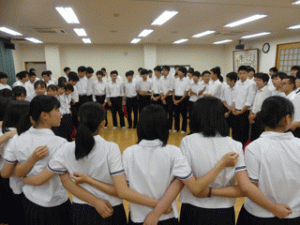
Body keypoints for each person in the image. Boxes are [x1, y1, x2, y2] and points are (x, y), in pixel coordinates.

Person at [72, 104, 239, 225]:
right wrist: (159, 208)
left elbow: (124, 191)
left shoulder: (129, 152)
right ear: (164, 127)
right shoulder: (173, 151)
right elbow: (186, 184)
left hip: (138, 216)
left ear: (140, 126)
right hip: (167, 215)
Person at [22, 102, 128, 225]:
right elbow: (121, 190)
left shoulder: (65, 149)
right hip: (112, 209)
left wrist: (23, 179)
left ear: (78, 120)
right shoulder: (111, 148)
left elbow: (42, 179)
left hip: (81, 210)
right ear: (103, 124)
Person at [1, 95, 72, 225]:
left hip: (30, 201)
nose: (61, 114)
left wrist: (25, 178)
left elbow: (16, 172)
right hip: (54, 202)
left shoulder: (17, 138)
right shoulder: (61, 143)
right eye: (57, 110)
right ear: (44, 115)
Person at [177, 97, 246, 225]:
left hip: (193, 208)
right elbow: (244, 188)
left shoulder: (188, 141)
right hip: (223, 210)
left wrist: (208, 191)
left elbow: (188, 184)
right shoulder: (234, 145)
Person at [237, 96, 300, 225]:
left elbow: (250, 188)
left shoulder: (254, 148)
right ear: (287, 119)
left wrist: (274, 208)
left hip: (258, 215)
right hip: (293, 214)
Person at [0, 101, 29, 225]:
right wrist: (7, 136)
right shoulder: (7, 131)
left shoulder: (25, 132)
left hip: (16, 177)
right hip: (8, 175)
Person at [232, 65, 257, 147]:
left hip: (244, 112)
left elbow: (249, 100)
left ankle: (243, 149)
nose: (242, 75)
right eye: (240, 73)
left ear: (247, 74)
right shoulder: (237, 83)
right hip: (236, 111)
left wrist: (241, 111)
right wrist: (233, 109)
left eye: (244, 73)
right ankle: (235, 148)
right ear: (238, 74)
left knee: (243, 133)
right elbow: (234, 97)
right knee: (235, 132)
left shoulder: (251, 84)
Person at [248, 73, 272, 141]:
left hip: (260, 117)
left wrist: (254, 116)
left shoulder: (267, 92)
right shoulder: (257, 90)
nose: (257, 82)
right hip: (253, 116)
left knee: (259, 136)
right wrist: (250, 115)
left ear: (265, 82)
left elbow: (264, 107)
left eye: (259, 80)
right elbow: (253, 104)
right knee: (253, 136)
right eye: (256, 80)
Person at [173, 66, 190, 134]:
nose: (178, 72)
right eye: (178, 71)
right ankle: (176, 128)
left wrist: (180, 100)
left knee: (184, 114)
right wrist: (174, 99)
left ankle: (184, 129)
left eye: (180, 71)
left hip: (183, 98)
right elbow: (173, 90)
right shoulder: (176, 80)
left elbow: (186, 92)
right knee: (176, 114)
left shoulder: (187, 80)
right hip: (176, 98)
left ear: (183, 73)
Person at [161, 66, 174, 131]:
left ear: (168, 71)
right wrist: (162, 99)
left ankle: (169, 127)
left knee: (170, 113)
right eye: (163, 70)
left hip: (169, 97)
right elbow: (160, 89)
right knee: (164, 113)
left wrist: (164, 97)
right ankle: (164, 126)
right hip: (163, 97)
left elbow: (170, 89)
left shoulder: (171, 78)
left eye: (165, 70)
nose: (163, 71)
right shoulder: (161, 78)